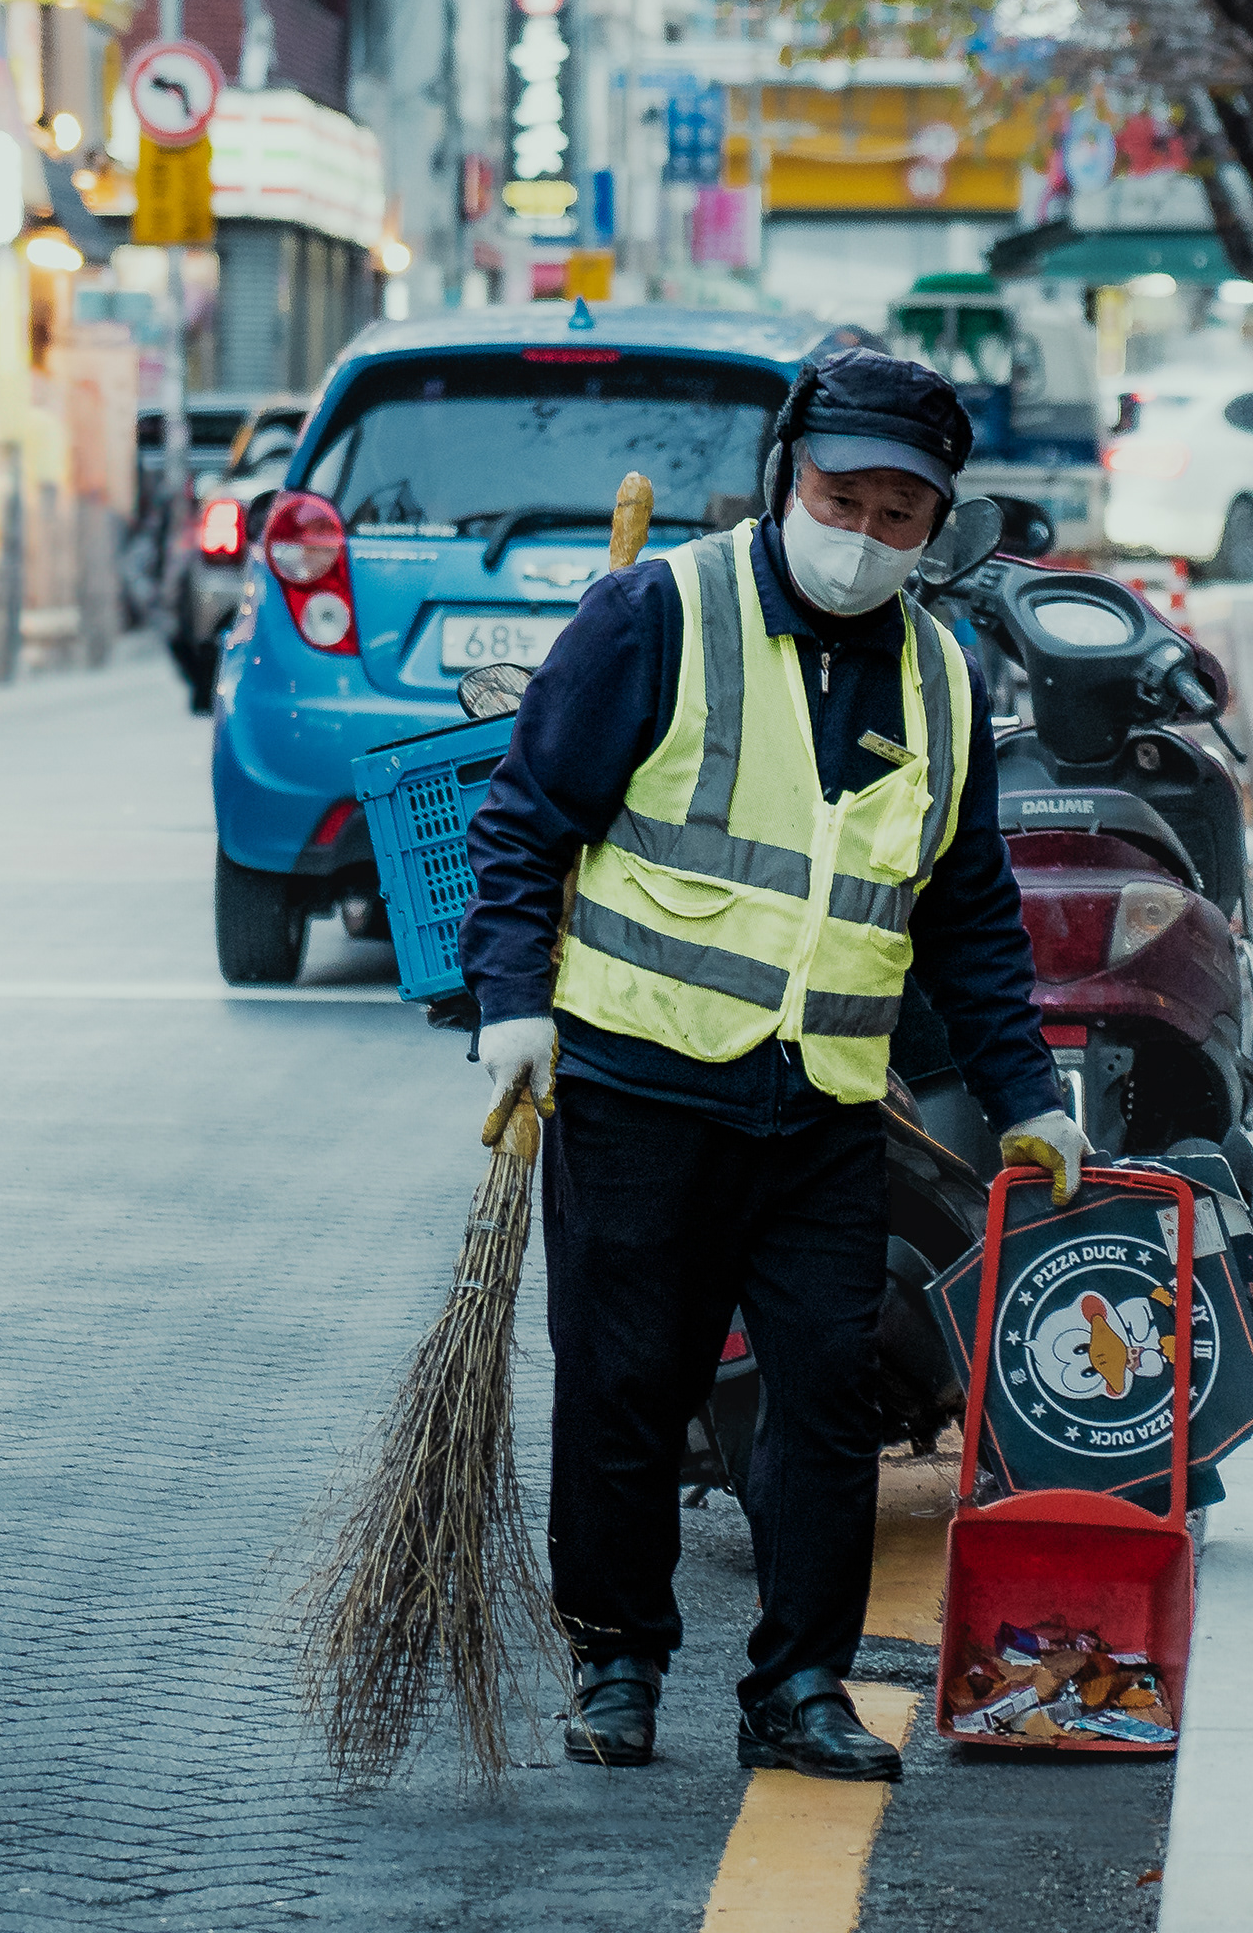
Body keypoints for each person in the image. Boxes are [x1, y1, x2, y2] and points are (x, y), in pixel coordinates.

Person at [458, 347, 1086, 1783]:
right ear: (786, 476)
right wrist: (514, 1002)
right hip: (636, 1084)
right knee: (626, 1384)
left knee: (824, 1399)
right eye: (840, 496)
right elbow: (526, 820)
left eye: (897, 516)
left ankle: (798, 1687)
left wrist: (1030, 1095)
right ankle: (619, 1660)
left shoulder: (940, 673)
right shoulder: (656, 615)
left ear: (939, 527)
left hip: (820, 1105)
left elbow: (966, 912)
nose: (862, 535)